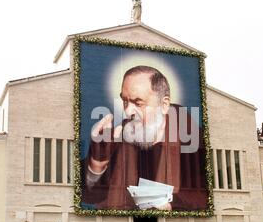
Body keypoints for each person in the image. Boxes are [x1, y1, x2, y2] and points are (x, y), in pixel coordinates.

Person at [83, 65, 207, 211]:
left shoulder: (195, 140)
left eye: (138, 103)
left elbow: (205, 194)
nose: (128, 112)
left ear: (164, 105)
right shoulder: (117, 137)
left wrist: (172, 205)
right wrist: (98, 162)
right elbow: (90, 196)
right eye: (125, 101)